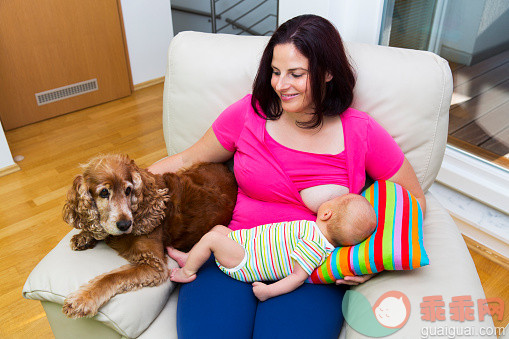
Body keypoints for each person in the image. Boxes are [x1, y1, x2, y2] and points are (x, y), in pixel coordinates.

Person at [149, 14, 426, 339]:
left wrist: (369, 262)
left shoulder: (361, 132)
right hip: (234, 251)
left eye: (296, 74)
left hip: (309, 269)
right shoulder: (248, 113)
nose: (281, 84)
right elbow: (187, 158)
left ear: (327, 72)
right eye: (276, 72)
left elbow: (413, 198)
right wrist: (125, 185)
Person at [168, 194, 377, 302]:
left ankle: (187, 271)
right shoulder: (315, 233)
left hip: (246, 260)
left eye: (333, 200)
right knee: (218, 230)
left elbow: (297, 277)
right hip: (244, 243)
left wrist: (269, 291)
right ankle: (190, 256)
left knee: (212, 238)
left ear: (326, 214)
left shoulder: (316, 246)